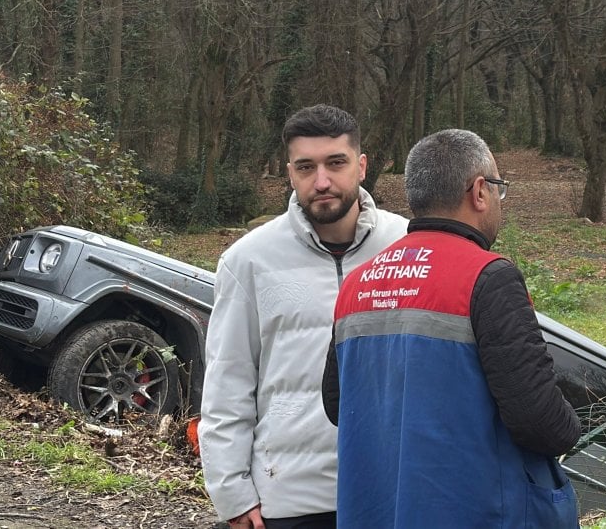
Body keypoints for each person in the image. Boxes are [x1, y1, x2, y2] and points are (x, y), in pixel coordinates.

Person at [321, 129, 581, 528]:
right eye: (498, 189)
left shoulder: (357, 284)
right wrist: (572, 423)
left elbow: (338, 406)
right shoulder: (488, 277)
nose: (498, 202)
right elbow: (541, 423)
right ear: (479, 191)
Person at [197, 104, 409, 529]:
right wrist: (232, 494)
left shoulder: (408, 245)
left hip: (394, 490)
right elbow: (227, 383)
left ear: (362, 166)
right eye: (306, 167)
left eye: (336, 163)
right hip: (292, 499)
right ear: (290, 173)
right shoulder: (248, 260)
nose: (322, 181)